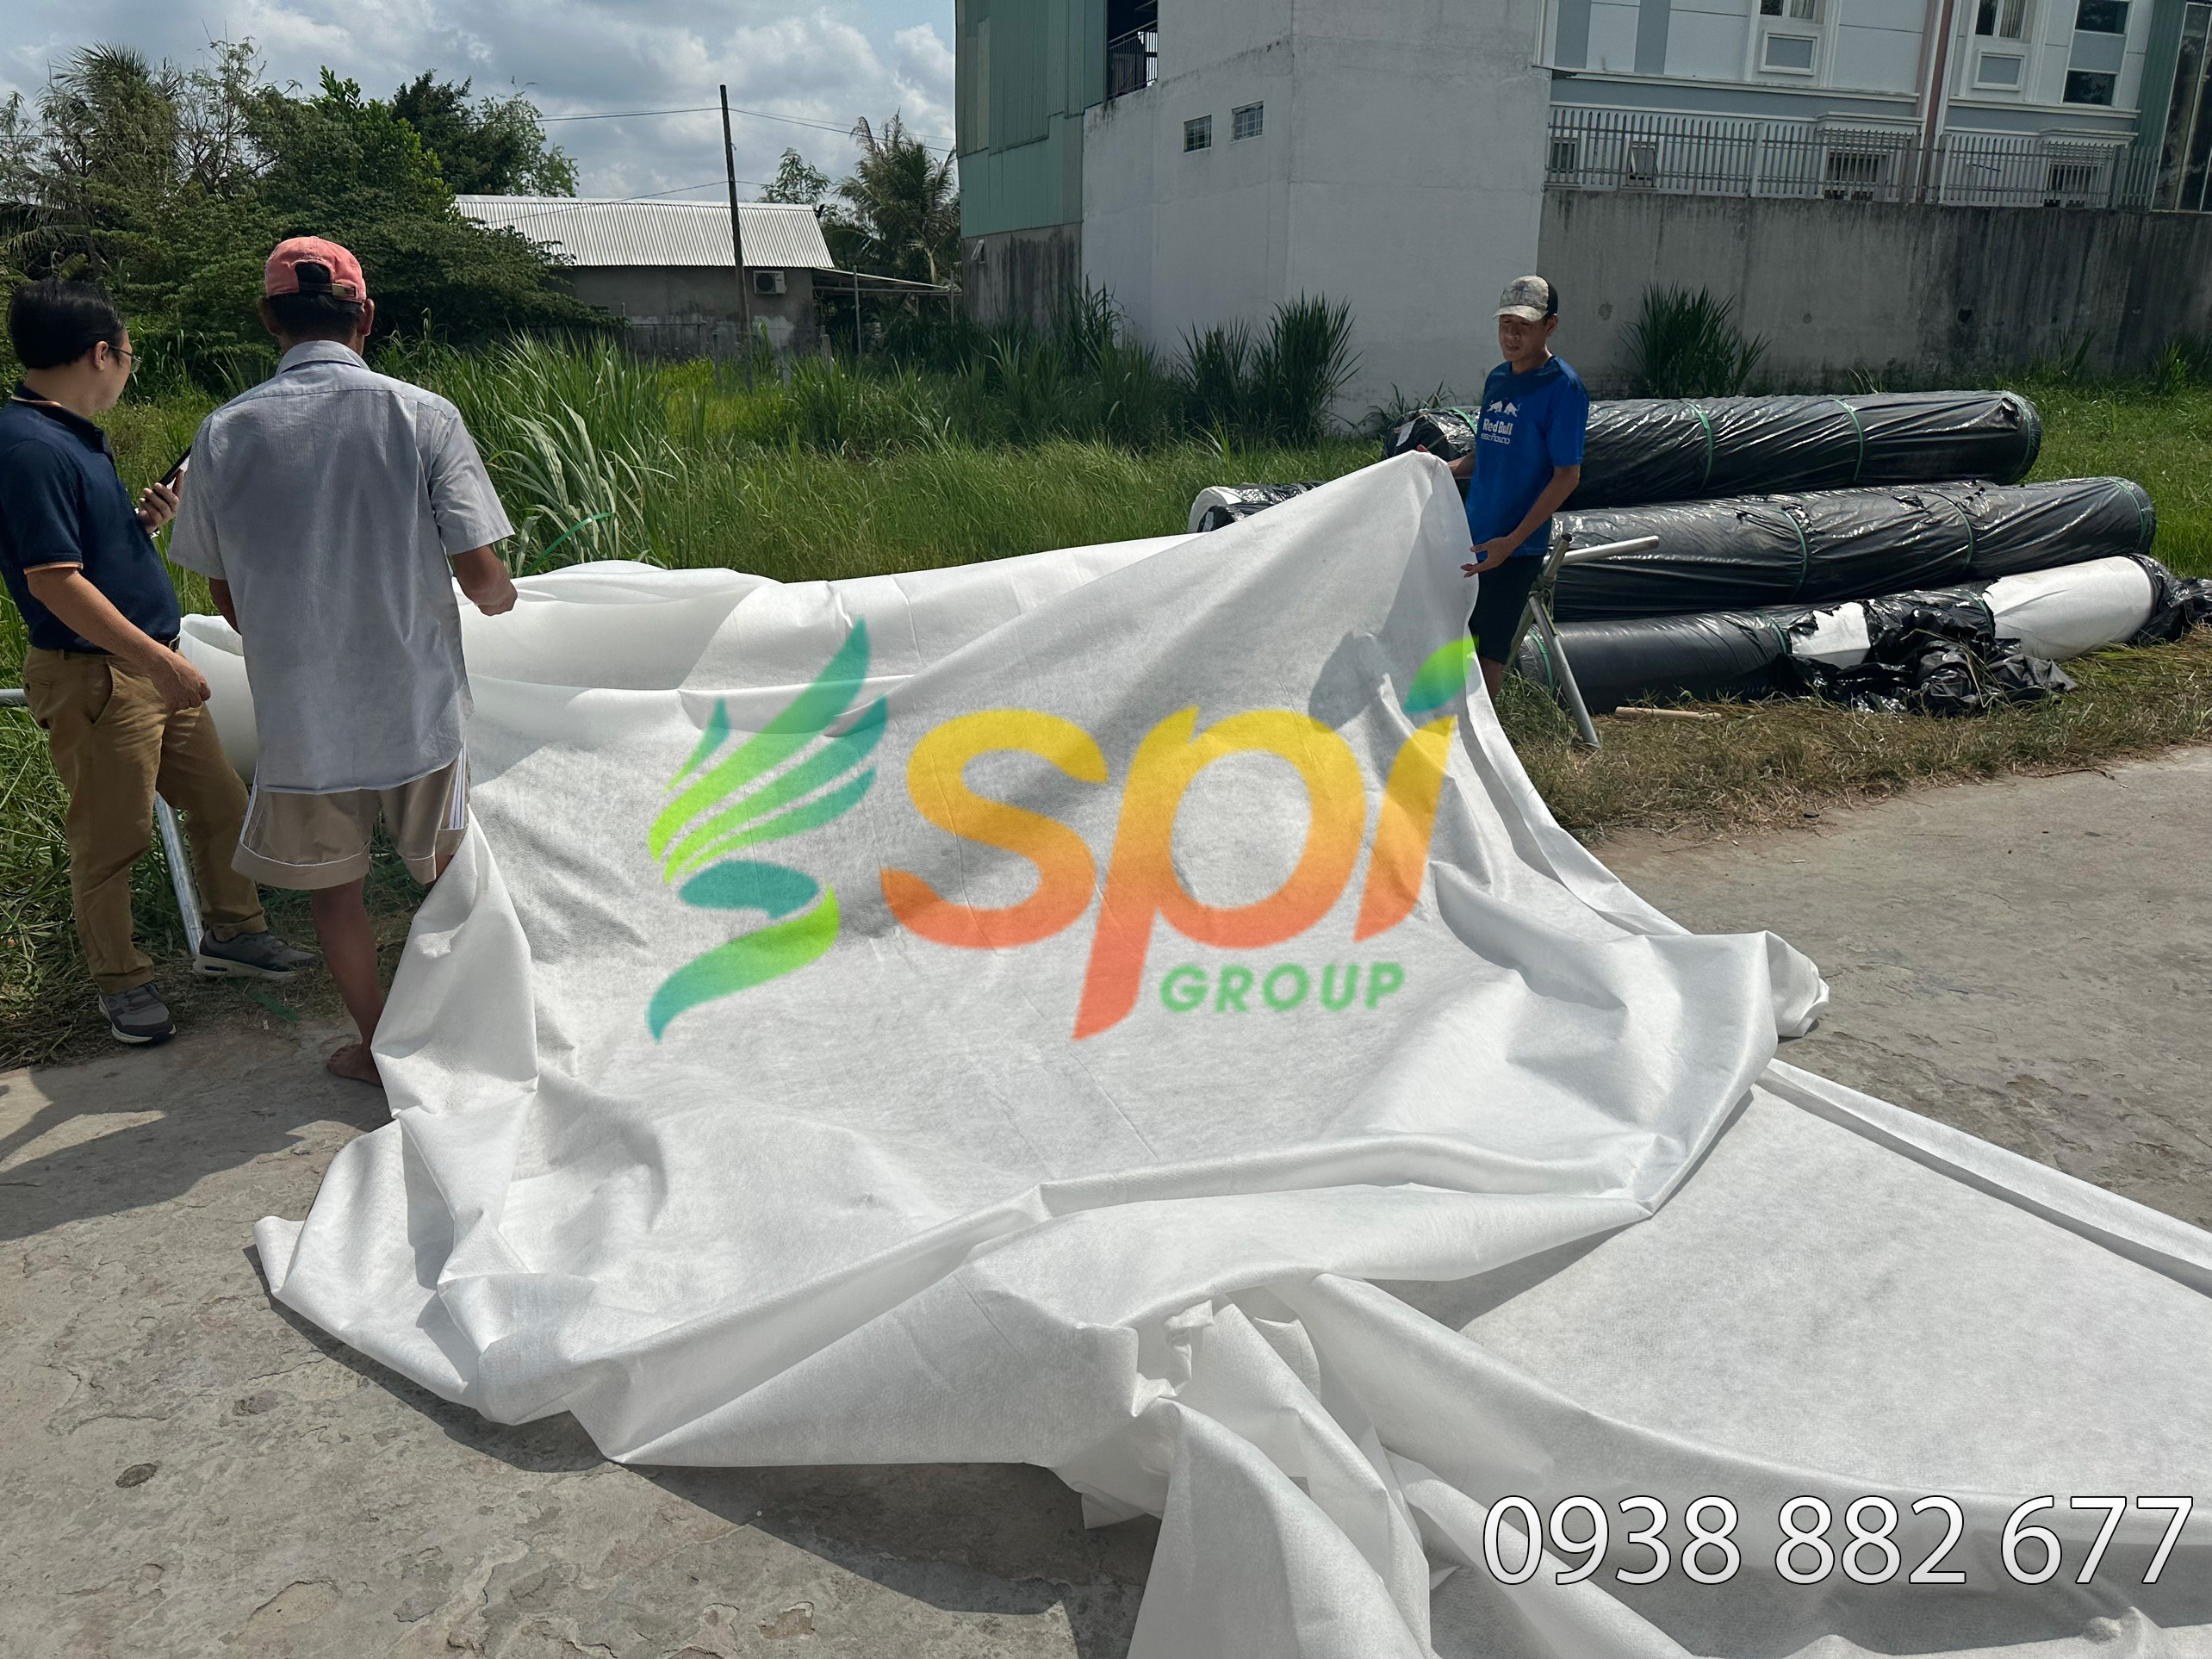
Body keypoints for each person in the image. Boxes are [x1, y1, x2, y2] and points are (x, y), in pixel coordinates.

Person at [166, 238, 519, 1087]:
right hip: (417, 708)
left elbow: (227, 597)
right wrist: (503, 596)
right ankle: (473, 1041)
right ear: (366, 316)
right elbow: (483, 579)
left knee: (337, 894)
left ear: (269, 319)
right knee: (449, 882)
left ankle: (377, 1049)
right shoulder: (423, 415)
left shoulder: (223, 434)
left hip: (304, 721)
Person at [2, 279, 314, 1047]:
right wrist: (161, 664)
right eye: (128, 355)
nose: (126, 369)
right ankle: (123, 982)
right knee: (113, 839)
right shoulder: (30, 448)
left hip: (141, 667)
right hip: (100, 675)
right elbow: (54, 583)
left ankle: (234, 933)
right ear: (99, 354)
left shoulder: (70, 434)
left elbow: (84, 556)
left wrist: (140, 525)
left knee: (221, 805)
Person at [1454, 275, 1589, 699]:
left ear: (1550, 326)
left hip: (1513, 548)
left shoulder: (1563, 388)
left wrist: (1511, 542)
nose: (1511, 336)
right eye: (1505, 324)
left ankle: (1480, 739)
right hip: (1473, 535)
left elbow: (1567, 476)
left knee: (1487, 656)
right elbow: (1484, 455)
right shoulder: (1498, 379)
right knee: (1455, 644)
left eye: (1524, 326)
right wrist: (1435, 467)